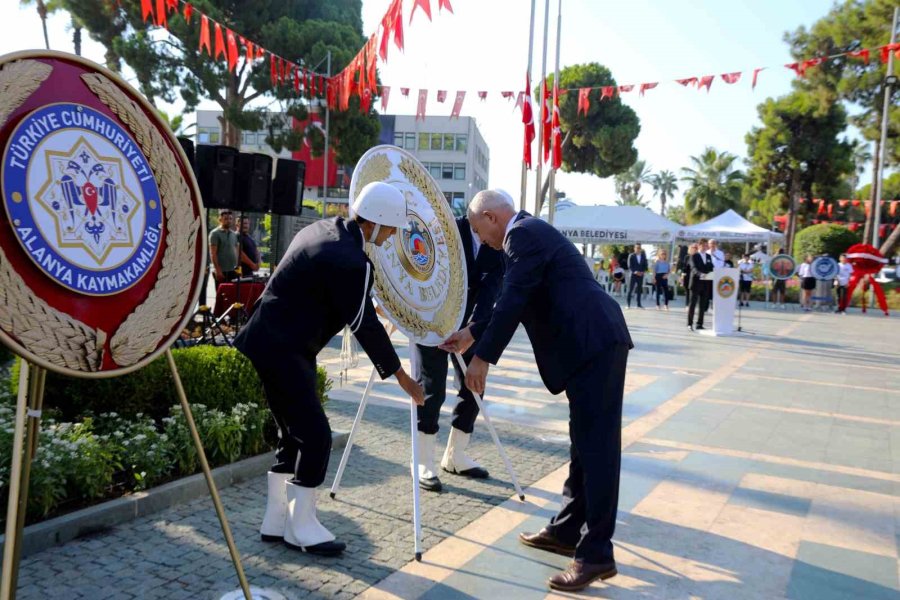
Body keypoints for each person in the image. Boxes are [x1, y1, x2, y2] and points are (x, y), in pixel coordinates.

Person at [439, 191, 633, 592]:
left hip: (594, 342)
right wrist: (471, 334)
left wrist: (482, 357)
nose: (482, 240)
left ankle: (596, 554)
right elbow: (513, 297)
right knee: (582, 443)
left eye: (479, 230)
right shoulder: (527, 236)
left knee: (597, 448)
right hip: (588, 346)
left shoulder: (521, 234)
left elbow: (513, 299)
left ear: (492, 218)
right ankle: (565, 531)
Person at [234, 182, 425, 556]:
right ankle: (301, 527)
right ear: (377, 222)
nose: (391, 237)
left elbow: (341, 299)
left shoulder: (324, 230)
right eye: (390, 229)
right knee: (317, 436)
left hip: (265, 340)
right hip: (285, 349)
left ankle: (276, 521)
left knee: (293, 435)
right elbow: (364, 323)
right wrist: (403, 378)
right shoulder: (350, 259)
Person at [412, 207, 504, 492]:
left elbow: (489, 295)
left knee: (475, 386)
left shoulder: (499, 247)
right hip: (431, 321)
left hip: (466, 328)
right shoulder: (444, 231)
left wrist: (471, 331)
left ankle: (455, 455)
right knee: (431, 388)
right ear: (483, 218)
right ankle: (422, 460)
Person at [209, 209, 240, 286]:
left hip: (233, 271)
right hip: (222, 272)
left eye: (230, 219)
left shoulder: (234, 234)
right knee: (221, 295)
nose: (228, 221)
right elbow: (213, 253)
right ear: (220, 219)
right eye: (226, 219)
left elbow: (237, 253)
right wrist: (218, 270)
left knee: (232, 295)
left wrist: (239, 271)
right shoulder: (215, 233)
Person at [687, 239, 713, 331]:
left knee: (703, 305)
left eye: (707, 246)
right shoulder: (694, 256)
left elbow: (711, 268)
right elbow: (693, 268)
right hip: (695, 283)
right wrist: (700, 274)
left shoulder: (709, 256)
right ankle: (690, 323)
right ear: (699, 245)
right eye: (704, 245)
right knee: (692, 304)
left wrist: (713, 273)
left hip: (705, 284)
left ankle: (699, 324)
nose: (706, 247)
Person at [626, 243, 648, 309]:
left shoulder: (643, 256)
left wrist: (642, 272)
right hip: (633, 275)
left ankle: (639, 304)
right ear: (634, 248)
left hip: (641, 275)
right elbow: (629, 265)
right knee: (630, 289)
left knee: (639, 290)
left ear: (640, 249)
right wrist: (635, 272)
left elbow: (645, 265)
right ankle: (628, 304)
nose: (638, 249)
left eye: (639, 248)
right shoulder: (631, 256)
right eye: (637, 248)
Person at [681, 243, 697, 310]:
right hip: (687, 276)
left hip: (695, 276)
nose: (694, 249)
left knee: (694, 292)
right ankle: (687, 305)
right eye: (693, 247)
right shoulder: (687, 257)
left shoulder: (698, 257)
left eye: (696, 248)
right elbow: (684, 267)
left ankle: (693, 305)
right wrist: (682, 277)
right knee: (687, 292)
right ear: (690, 249)